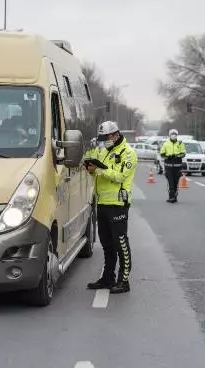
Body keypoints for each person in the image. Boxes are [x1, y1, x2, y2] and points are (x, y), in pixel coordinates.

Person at [85, 121, 137, 294]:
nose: (104, 141)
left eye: (106, 137)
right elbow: (99, 170)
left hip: (118, 204)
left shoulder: (128, 153)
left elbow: (120, 176)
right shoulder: (104, 150)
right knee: (106, 243)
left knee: (120, 242)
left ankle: (124, 281)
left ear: (115, 135)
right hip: (102, 203)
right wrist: (91, 168)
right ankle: (107, 278)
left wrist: (99, 170)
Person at [160, 129, 186, 203]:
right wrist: (168, 157)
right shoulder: (166, 144)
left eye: (175, 134)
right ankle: (171, 197)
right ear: (169, 135)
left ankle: (175, 196)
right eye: (172, 134)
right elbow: (162, 154)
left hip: (177, 167)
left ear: (177, 135)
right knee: (170, 182)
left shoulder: (180, 143)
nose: (173, 135)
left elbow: (183, 153)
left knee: (176, 182)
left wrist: (177, 156)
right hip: (168, 167)